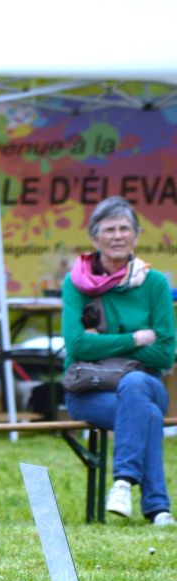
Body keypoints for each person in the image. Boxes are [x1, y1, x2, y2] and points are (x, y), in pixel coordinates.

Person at [62, 196, 175, 527]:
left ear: (137, 236)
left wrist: (104, 344)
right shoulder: (77, 282)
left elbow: (166, 353)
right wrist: (135, 339)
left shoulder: (154, 283)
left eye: (125, 228)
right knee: (148, 414)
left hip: (148, 384)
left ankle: (123, 481)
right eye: (109, 229)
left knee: (136, 384)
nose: (117, 236)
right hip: (90, 390)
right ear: (95, 238)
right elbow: (77, 345)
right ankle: (158, 509)